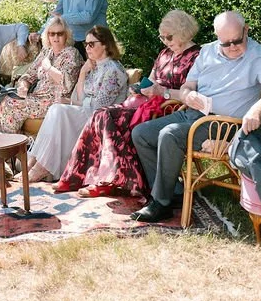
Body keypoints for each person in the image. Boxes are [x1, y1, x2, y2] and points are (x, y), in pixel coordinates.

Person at [130, 11, 261, 223]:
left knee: (170, 135)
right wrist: (188, 94)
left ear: (246, 30)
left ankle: (160, 202)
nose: (232, 47)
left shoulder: (259, 56)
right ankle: (172, 192)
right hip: (193, 113)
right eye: (225, 43)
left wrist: (256, 111)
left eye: (237, 41)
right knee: (141, 133)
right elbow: (187, 86)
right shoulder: (208, 51)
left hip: (222, 124)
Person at [55, 10, 202, 198]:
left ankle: (108, 181)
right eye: (162, 37)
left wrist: (161, 93)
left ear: (183, 31)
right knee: (101, 114)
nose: (165, 41)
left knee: (106, 116)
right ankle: (80, 175)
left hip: (168, 110)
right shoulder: (165, 53)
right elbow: (150, 80)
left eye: (169, 36)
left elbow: (190, 95)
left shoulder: (196, 56)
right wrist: (140, 88)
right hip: (146, 103)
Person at [27, 25, 128, 182]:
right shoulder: (93, 66)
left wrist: (77, 102)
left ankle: (42, 167)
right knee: (56, 109)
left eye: (91, 44)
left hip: (103, 120)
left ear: (106, 44)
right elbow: (78, 98)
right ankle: (34, 163)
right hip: (88, 113)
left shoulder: (113, 70)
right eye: (85, 44)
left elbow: (97, 107)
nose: (87, 48)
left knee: (59, 111)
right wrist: (82, 73)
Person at [0, 16, 81, 133]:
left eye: (60, 34)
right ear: (47, 35)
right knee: (4, 99)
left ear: (66, 35)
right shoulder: (47, 51)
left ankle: (8, 144)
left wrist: (48, 67)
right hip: (38, 97)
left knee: (10, 104)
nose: (56, 37)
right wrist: (24, 86)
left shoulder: (71, 53)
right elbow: (30, 74)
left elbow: (66, 84)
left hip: (55, 100)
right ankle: (10, 142)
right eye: (52, 34)